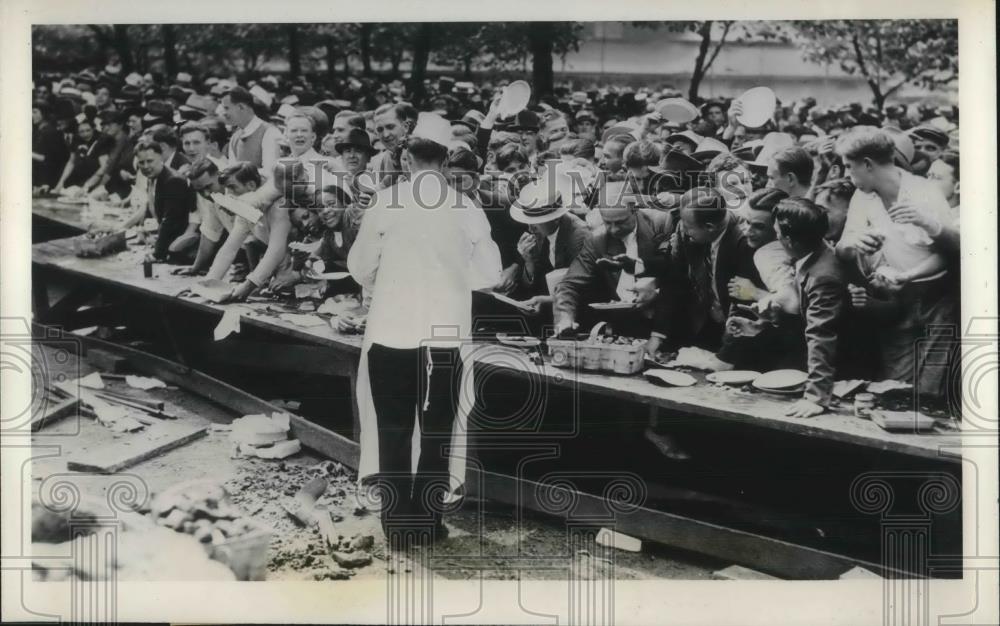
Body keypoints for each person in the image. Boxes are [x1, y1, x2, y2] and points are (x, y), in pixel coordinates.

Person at [348, 112, 501, 546]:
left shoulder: (387, 200)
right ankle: (428, 524)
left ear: (407, 159)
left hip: (392, 331)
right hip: (444, 336)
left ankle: (397, 527)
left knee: (393, 428)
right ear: (446, 161)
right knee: (437, 430)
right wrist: (452, 277)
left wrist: (388, 275)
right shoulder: (464, 206)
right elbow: (489, 273)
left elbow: (360, 267)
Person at [834, 126, 957, 398]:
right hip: (894, 301)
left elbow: (949, 254)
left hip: (937, 302)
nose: (846, 174)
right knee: (894, 389)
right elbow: (841, 249)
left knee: (929, 392)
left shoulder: (925, 192)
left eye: (848, 166)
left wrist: (909, 274)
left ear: (867, 164)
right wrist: (855, 242)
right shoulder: (862, 196)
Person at [553, 180, 675, 338]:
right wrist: (565, 318)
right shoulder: (597, 239)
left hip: (662, 320)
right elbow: (570, 284)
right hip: (621, 325)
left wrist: (655, 286)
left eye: (620, 222)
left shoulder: (660, 224)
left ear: (634, 209)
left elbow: (674, 270)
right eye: (608, 223)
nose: (614, 229)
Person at [649, 187, 762, 355]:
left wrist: (725, 357)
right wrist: (658, 335)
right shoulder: (686, 227)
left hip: (738, 332)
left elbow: (744, 304)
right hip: (702, 323)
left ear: (709, 227)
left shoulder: (745, 241)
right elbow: (673, 281)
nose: (684, 231)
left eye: (688, 227)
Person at [772, 198, 847, 418]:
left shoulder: (824, 276)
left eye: (777, 234)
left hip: (843, 371)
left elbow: (821, 334)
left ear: (790, 240)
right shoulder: (813, 254)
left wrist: (816, 397)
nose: (775, 238)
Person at [508, 178, 589, 308]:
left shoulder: (579, 237)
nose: (530, 228)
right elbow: (532, 285)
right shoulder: (543, 232)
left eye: (537, 221)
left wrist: (545, 301)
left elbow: (580, 288)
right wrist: (529, 262)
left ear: (556, 218)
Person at [124, 139, 197, 263]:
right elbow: (151, 205)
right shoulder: (152, 176)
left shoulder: (173, 181)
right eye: (141, 162)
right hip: (165, 242)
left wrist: (156, 254)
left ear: (161, 157)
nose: (146, 166)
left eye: (150, 161)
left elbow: (170, 221)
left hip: (181, 250)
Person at [220, 86, 282, 175]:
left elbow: (270, 173)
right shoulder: (235, 137)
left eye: (226, 108)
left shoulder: (270, 132)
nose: (223, 113)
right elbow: (231, 172)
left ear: (241, 107)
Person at [369, 102, 418, 188]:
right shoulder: (378, 162)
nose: (385, 135)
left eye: (390, 127)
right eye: (380, 130)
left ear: (405, 127)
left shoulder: (422, 155)